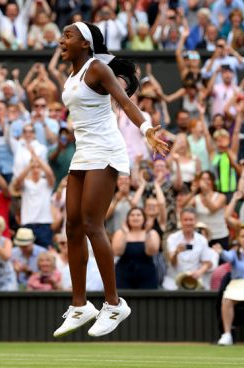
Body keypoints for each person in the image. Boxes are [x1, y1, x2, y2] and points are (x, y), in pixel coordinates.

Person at [53, 21, 169, 338]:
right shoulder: (74, 74)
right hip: (83, 152)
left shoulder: (96, 69)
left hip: (105, 150)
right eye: (62, 35)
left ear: (86, 44)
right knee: (72, 226)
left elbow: (126, 102)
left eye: (68, 36)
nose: (61, 40)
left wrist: (146, 130)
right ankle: (80, 306)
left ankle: (114, 304)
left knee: (92, 224)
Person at [163, 209, 217, 291]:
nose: (188, 223)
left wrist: (199, 272)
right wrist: (176, 252)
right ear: (180, 221)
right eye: (185, 220)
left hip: (194, 282)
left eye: (191, 220)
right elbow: (173, 263)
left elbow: (207, 263)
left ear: (195, 221)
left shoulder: (202, 240)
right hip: (173, 282)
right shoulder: (172, 238)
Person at [111, 207, 160, 290]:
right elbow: (117, 252)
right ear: (127, 219)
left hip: (146, 273)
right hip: (123, 272)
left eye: (138, 215)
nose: (135, 217)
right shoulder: (120, 232)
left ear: (144, 218)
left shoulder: (152, 232)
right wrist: (125, 233)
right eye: (132, 215)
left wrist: (147, 233)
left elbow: (152, 252)